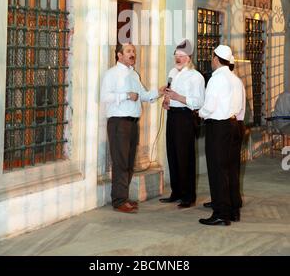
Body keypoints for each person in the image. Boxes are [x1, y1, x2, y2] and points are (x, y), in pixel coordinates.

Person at [101, 43, 165, 213]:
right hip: (118, 123)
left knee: (129, 163)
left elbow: (143, 95)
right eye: (128, 51)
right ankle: (119, 200)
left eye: (133, 52)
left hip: (132, 123)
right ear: (119, 55)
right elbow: (104, 96)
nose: (132, 54)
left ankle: (124, 197)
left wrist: (158, 92)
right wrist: (126, 95)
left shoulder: (134, 74)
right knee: (120, 162)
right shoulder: (111, 74)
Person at [198, 45, 244, 226]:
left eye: (211, 57)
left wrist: (200, 113)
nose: (211, 60)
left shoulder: (216, 79)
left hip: (219, 128)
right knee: (231, 169)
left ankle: (221, 213)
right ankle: (232, 210)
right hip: (234, 125)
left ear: (216, 59)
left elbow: (209, 106)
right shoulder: (235, 79)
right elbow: (240, 107)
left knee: (218, 170)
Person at [159, 39, 205, 208]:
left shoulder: (196, 77)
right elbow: (171, 93)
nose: (178, 59)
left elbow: (199, 102)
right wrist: (167, 101)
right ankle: (176, 192)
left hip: (186, 118)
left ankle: (188, 196)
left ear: (189, 58)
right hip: (173, 115)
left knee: (185, 156)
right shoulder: (172, 72)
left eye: (181, 56)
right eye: (176, 56)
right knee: (172, 153)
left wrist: (178, 97)